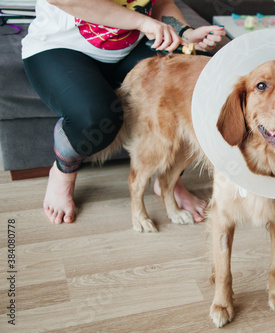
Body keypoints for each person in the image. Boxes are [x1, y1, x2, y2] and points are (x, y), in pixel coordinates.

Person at [21, 0, 225, 224]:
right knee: (96, 118)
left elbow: (160, 2)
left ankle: (169, 177)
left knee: (185, 81)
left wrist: (185, 32)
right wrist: (143, 22)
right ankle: (63, 172)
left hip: (129, 47)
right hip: (61, 46)